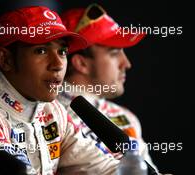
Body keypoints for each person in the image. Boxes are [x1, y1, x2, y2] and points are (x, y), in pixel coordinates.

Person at [0, 6, 120, 175]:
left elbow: (103, 168)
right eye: (41, 50)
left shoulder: (53, 111)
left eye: (62, 51)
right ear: (6, 59)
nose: (58, 64)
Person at [57, 3, 158, 170]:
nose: (126, 63)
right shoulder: (51, 115)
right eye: (114, 53)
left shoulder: (126, 117)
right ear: (81, 63)